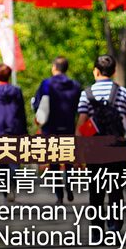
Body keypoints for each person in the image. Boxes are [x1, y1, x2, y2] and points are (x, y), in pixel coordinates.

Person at [75, 54, 126, 235]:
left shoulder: (86, 94)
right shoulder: (124, 93)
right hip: (117, 148)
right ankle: (115, 226)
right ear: (114, 71)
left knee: (96, 191)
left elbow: (80, 127)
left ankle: (96, 230)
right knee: (116, 189)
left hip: (94, 149)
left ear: (95, 71)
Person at [32, 56, 82, 204]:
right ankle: (70, 187)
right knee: (68, 161)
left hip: (50, 128)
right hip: (69, 127)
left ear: (54, 67)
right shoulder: (75, 85)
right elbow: (81, 107)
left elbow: (38, 104)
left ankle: (59, 196)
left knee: (53, 163)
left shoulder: (46, 84)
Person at [0, 63, 27, 202]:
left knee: (2, 164)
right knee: (14, 162)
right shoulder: (16, 91)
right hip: (15, 129)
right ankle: (12, 187)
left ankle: (5, 191)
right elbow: (22, 112)